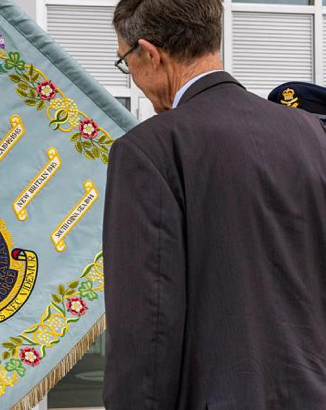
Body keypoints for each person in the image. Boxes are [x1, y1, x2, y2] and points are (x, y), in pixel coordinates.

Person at [102, 0, 326, 408]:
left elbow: (145, 328)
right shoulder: (311, 134)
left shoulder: (148, 150)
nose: (130, 76)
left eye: (124, 62)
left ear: (149, 53)